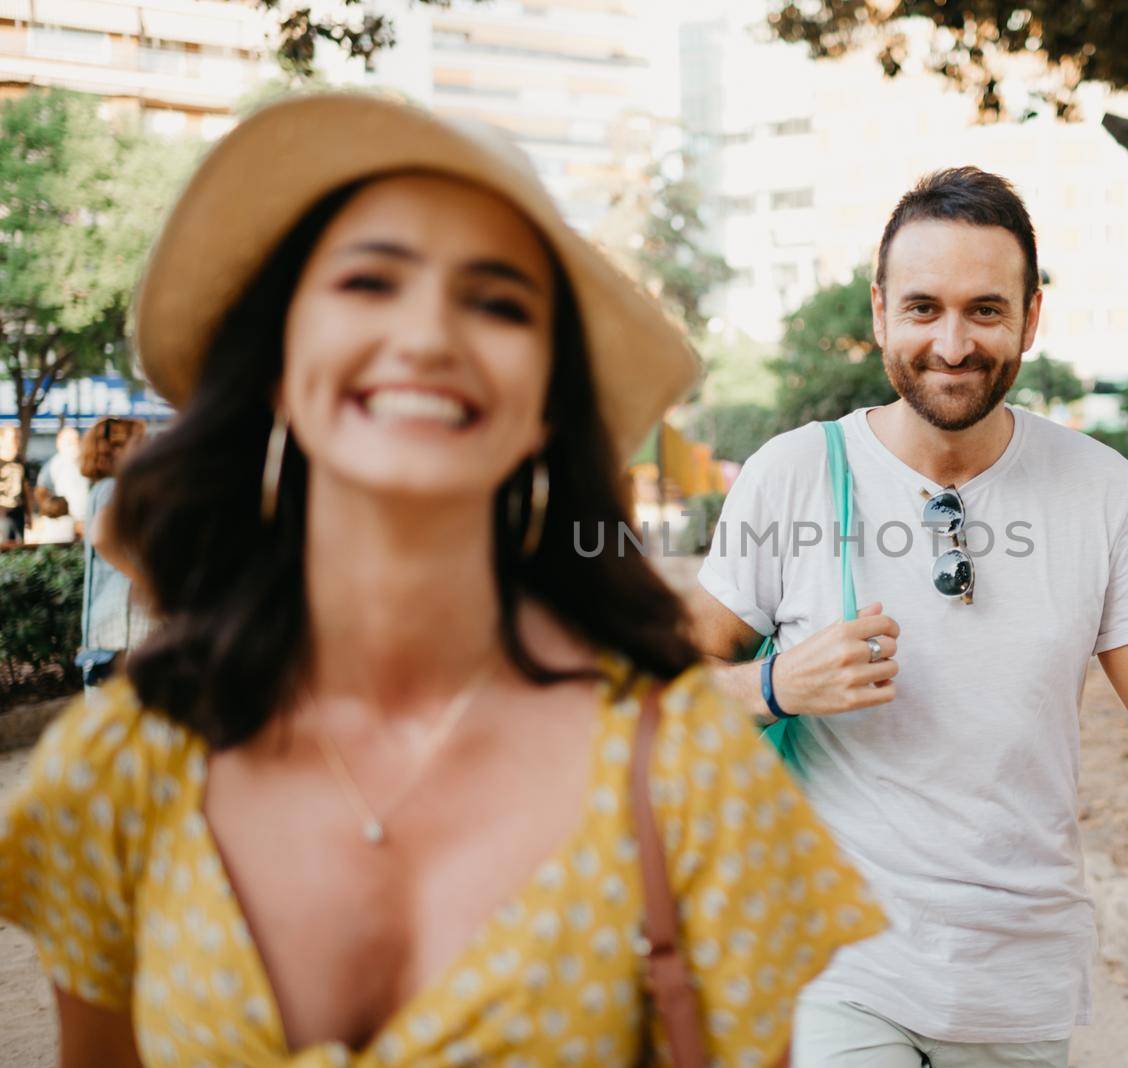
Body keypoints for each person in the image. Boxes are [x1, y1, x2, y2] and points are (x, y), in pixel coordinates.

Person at [0, 92, 883, 1068]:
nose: (427, 336)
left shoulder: (686, 779)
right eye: (370, 282)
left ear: (551, 398)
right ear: (279, 360)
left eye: (498, 301)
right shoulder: (123, 765)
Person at [691, 167, 1128, 1066]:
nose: (953, 343)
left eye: (985, 310)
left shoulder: (1098, 489)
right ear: (881, 312)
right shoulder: (795, 474)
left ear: (1030, 318)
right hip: (833, 966)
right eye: (924, 308)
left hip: (1020, 978)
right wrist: (777, 682)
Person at [75, 417, 153, 676]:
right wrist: (147, 581)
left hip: (106, 623)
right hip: (125, 623)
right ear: (115, 450)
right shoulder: (115, 487)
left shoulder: (100, 488)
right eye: (139, 442)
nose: (148, 446)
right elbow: (101, 537)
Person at [35, 424, 91, 541]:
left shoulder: (88, 463)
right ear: (59, 443)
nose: (73, 444)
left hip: (89, 521)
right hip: (64, 524)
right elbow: (41, 492)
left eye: (76, 440)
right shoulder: (53, 465)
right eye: (68, 441)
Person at [0, 425, 27, 545]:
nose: (16, 441)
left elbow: (25, 488)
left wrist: (29, 513)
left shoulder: (20, 461)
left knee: (18, 547)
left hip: (18, 512)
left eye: (18, 438)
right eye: (13, 438)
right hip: (2, 513)